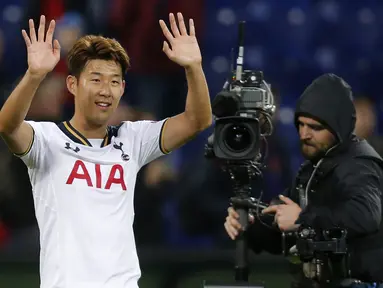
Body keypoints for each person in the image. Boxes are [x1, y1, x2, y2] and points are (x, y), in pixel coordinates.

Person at [0, 13, 211, 288]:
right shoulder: (46, 139)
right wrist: (34, 75)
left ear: (123, 88)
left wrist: (194, 67)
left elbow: (198, 120)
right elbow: (7, 126)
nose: (106, 90)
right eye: (96, 79)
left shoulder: (134, 138)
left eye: (114, 81)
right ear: (72, 85)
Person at [224, 74, 383, 287]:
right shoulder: (312, 169)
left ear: (338, 128)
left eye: (315, 127)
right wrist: (251, 227)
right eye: (300, 124)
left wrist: (302, 218)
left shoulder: (358, 163)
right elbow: (286, 232)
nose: (304, 134)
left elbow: (365, 216)